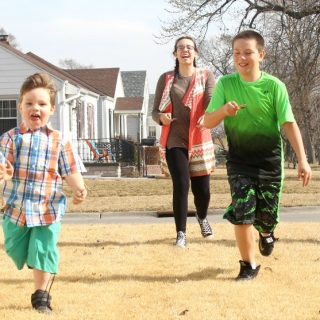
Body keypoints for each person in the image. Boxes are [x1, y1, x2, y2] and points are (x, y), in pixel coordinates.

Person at [203, 30, 312, 280]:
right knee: (242, 213)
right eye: (236, 53)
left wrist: (303, 160)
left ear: (261, 55)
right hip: (240, 162)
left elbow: (288, 123)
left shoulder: (275, 86)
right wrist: (223, 111)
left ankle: (266, 232)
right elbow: (207, 122)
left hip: (269, 163)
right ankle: (248, 266)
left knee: (266, 216)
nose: (242, 58)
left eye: (248, 52)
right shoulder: (226, 84)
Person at [0, 73, 87, 313]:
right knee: (15, 250)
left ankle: (41, 296)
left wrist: (79, 188)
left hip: (47, 209)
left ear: (51, 110)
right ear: (20, 107)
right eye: (29, 103)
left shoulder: (60, 140)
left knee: (43, 248)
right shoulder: (10, 139)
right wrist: (3, 171)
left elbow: (70, 169)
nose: (34, 108)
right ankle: (32, 258)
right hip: (15, 210)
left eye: (41, 104)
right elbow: (2, 165)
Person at [152, 36, 216, 248]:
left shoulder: (207, 76)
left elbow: (211, 103)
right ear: (175, 54)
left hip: (199, 138)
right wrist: (161, 118)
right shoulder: (167, 78)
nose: (185, 50)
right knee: (181, 184)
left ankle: (202, 216)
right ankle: (181, 233)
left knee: (203, 191)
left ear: (196, 52)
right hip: (175, 140)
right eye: (180, 48)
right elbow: (155, 112)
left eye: (189, 47)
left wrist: (208, 115)